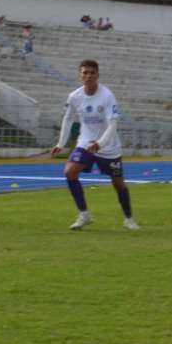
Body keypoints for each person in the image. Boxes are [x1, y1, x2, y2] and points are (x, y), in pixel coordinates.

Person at [50, 59, 139, 231]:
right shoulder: (74, 96)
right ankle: (84, 214)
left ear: (97, 75)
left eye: (92, 73)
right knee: (70, 172)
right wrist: (61, 143)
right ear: (80, 75)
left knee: (118, 184)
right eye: (85, 72)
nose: (88, 76)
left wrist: (100, 143)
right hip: (85, 143)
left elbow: (113, 123)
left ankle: (129, 218)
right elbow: (68, 118)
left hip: (108, 147)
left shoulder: (107, 96)